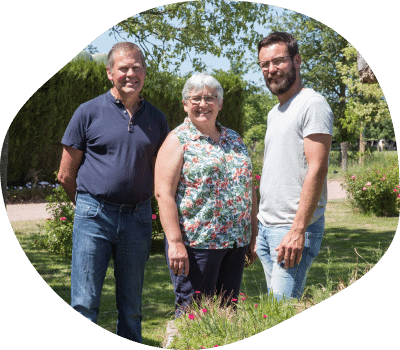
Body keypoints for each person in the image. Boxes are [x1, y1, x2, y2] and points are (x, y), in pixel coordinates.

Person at [57, 42, 169, 343]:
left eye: (137, 68)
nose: (130, 73)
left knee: (131, 307)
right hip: (94, 215)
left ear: (144, 73)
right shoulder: (87, 112)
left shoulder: (157, 119)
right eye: (123, 68)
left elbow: (164, 172)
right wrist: (87, 206)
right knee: (84, 303)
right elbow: (66, 174)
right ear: (110, 73)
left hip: (138, 219)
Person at [155, 73, 258, 317]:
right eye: (196, 98)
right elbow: (163, 194)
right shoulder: (177, 140)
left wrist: (253, 234)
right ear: (185, 103)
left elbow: (249, 188)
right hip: (197, 245)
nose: (203, 104)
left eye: (210, 98)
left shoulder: (234, 139)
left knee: (227, 314)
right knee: (195, 315)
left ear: (220, 103)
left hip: (235, 243)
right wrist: (176, 243)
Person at [256, 32, 334, 301]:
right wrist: (258, 227)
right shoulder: (274, 113)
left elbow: (318, 169)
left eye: (278, 61)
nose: (271, 70)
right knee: (276, 312)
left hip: (292, 229)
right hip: (267, 228)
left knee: (280, 315)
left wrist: (298, 229)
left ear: (297, 61)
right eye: (264, 65)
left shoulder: (312, 104)